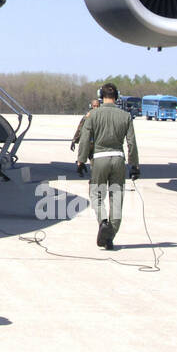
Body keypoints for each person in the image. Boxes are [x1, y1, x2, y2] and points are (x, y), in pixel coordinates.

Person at [76, 83, 140, 250]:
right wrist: (134, 165)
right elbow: (131, 143)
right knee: (116, 197)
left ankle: (103, 221)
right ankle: (110, 237)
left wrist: (81, 160)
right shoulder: (125, 116)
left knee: (96, 194)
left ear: (100, 96)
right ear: (117, 97)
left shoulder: (93, 115)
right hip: (118, 159)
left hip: (99, 159)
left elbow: (84, 139)